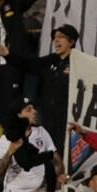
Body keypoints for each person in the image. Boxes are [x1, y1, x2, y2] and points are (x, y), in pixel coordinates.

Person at [21, 24, 83, 154]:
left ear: (71, 41)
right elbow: (28, 65)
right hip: (47, 117)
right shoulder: (51, 60)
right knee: (46, 152)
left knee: (63, 151)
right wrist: (8, 55)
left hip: (67, 119)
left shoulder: (80, 62)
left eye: (61, 37)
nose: (56, 40)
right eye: (55, 37)